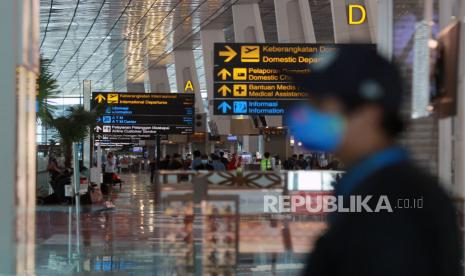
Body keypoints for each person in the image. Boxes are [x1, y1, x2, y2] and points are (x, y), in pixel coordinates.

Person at [286, 45, 461, 276]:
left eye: (320, 105)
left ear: (369, 115)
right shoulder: (372, 187)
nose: (305, 114)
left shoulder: (396, 201)